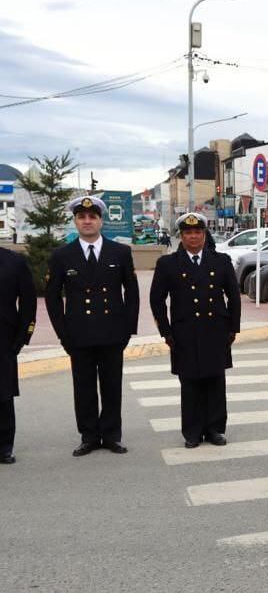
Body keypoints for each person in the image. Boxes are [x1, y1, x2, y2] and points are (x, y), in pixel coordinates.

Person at [45, 195, 140, 457]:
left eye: (92, 217)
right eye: (82, 217)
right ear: (75, 220)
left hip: (112, 333)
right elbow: (52, 297)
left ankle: (111, 435)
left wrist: (127, 330)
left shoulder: (120, 252)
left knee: (112, 386)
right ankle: (88, 436)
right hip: (79, 334)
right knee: (83, 388)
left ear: (101, 220)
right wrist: (63, 334)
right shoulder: (62, 255)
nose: (87, 221)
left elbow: (131, 293)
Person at [149, 212, 241, 449]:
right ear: (181, 235)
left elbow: (233, 296)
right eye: (188, 232)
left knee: (215, 382)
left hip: (215, 331)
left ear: (204, 234)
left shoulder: (221, 261)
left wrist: (233, 328)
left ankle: (215, 429)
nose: (193, 236)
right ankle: (192, 432)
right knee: (189, 384)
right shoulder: (167, 264)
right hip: (184, 333)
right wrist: (166, 332)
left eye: (198, 232)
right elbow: (156, 300)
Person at [0, 245, 36, 465]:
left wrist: (22, 336)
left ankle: (4, 446)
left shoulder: (14, 261)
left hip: (3, 340)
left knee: (3, 395)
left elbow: (28, 301)